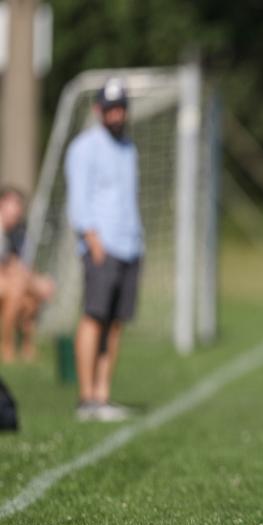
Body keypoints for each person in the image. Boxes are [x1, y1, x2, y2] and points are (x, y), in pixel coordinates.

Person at [65, 78, 143, 422]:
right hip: (103, 245)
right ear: (98, 110)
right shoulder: (84, 147)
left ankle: (103, 394)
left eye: (120, 108)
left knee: (115, 322)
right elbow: (79, 200)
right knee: (94, 316)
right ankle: (86, 398)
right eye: (110, 108)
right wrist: (93, 241)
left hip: (129, 244)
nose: (116, 114)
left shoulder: (129, 148)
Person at [0, 186, 55, 362]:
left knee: (28, 300)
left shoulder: (19, 232)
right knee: (18, 291)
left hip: (12, 282)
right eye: (13, 204)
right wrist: (36, 283)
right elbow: (8, 265)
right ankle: (8, 346)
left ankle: (25, 347)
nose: (17, 210)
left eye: (19, 206)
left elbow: (23, 264)